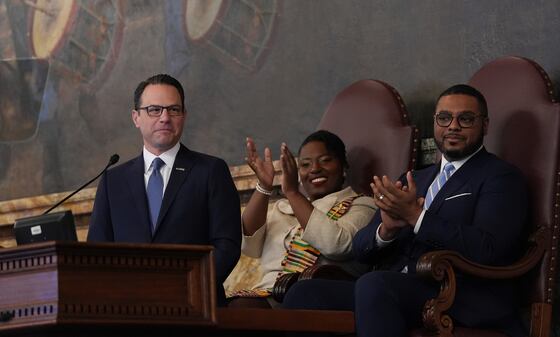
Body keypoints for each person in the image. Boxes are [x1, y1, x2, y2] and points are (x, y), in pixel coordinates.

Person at [283, 84, 528, 337]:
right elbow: (361, 250)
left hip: (459, 293)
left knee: (375, 285)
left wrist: (416, 217)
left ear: (485, 125)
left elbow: (487, 247)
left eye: (465, 119)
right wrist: (385, 230)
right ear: (435, 123)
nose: (453, 126)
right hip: (396, 287)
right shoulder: (415, 179)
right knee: (304, 293)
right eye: (444, 118)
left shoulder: (500, 177)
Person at [87, 74, 241, 306]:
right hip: (128, 311)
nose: (165, 118)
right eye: (154, 110)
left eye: (174, 110)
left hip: (195, 306)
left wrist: (186, 288)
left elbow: (226, 245)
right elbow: (97, 254)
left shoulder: (210, 171)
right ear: (136, 117)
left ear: (184, 116)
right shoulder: (113, 181)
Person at [228, 130, 376, 308]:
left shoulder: (362, 205)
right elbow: (249, 246)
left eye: (325, 160)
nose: (314, 169)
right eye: (305, 164)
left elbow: (336, 246)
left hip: (312, 296)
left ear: (343, 166)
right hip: (265, 294)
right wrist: (264, 186)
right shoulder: (284, 208)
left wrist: (292, 193)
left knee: (239, 310)